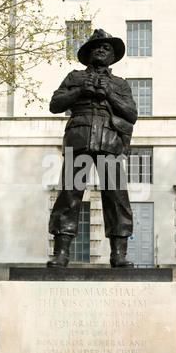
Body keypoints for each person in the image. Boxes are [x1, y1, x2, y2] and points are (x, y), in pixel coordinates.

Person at [47, 29, 138, 268]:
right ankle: (61, 253)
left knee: (116, 197)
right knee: (70, 195)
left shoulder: (120, 84)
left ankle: (118, 255)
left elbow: (131, 114)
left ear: (112, 56)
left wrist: (109, 95)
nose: (101, 50)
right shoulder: (74, 77)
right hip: (79, 138)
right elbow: (54, 105)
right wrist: (79, 91)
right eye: (96, 47)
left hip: (109, 141)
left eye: (106, 48)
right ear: (88, 54)